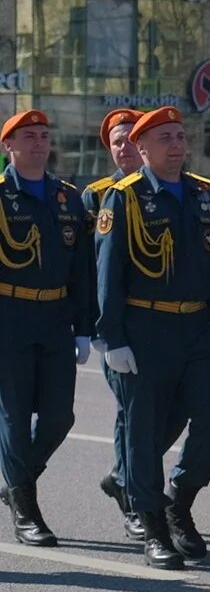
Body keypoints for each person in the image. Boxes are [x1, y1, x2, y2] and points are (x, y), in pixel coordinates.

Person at [94, 107, 210, 568]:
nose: (176, 145)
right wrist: (111, 337)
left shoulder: (207, 196)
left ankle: (180, 499)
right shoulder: (125, 198)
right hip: (145, 328)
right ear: (141, 148)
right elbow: (108, 273)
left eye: (180, 136)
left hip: (198, 329)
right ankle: (154, 525)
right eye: (164, 138)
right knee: (144, 431)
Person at [0, 111, 94, 547]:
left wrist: (83, 326)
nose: (39, 143)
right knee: (15, 417)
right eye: (28, 137)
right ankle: (26, 508)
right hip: (9, 318)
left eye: (43, 136)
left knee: (59, 416)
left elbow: (82, 268)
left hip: (56, 318)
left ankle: (16, 482)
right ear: (8, 146)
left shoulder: (66, 198)